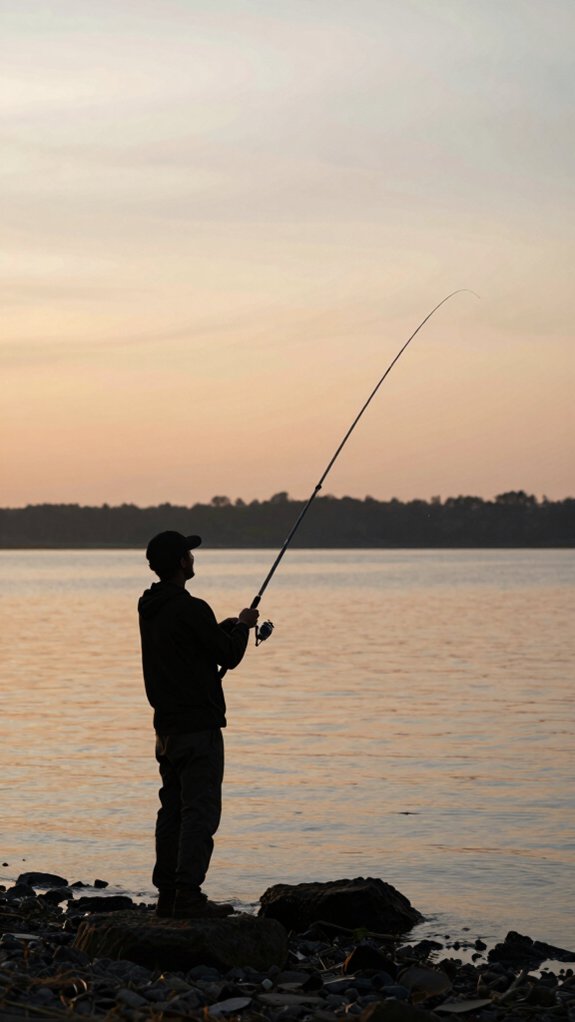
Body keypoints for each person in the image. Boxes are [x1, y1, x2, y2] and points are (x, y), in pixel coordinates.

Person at [138, 530, 259, 919]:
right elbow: (229, 655)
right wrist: (242, 625)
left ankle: (168, 896)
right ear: (182, 563)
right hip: (197, 729)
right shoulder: (190, 607)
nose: (193, 557)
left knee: (171, 811)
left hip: (167, 730)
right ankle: (188, 895)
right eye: (188, 553)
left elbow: (192, 646)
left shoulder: (151, 607)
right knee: (199, 813)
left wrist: (220, 628)